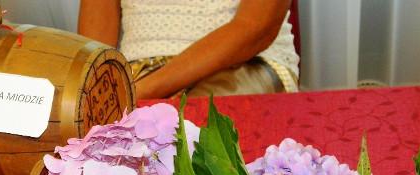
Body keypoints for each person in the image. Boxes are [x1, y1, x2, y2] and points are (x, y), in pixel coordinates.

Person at [78, 0, 299, 99]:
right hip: (134, 76)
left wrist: (141, 92)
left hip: (243, 63)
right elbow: (94, 49)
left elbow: (256, 27)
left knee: (203, 136)